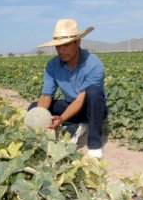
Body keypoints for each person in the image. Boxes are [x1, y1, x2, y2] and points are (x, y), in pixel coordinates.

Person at [28, 19, 108, 159]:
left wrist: (62, 118)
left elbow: (80, 100)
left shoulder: (94, 64)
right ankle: (75, 126)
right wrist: (39, 119)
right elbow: (46, 96)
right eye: (58, 46)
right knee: (35, 107)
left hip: (91, 109)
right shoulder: (52, 65)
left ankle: (95, 145)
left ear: (78, 43)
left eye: (65, 45)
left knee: (94, 92)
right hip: (70, 105)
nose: (61, 50)